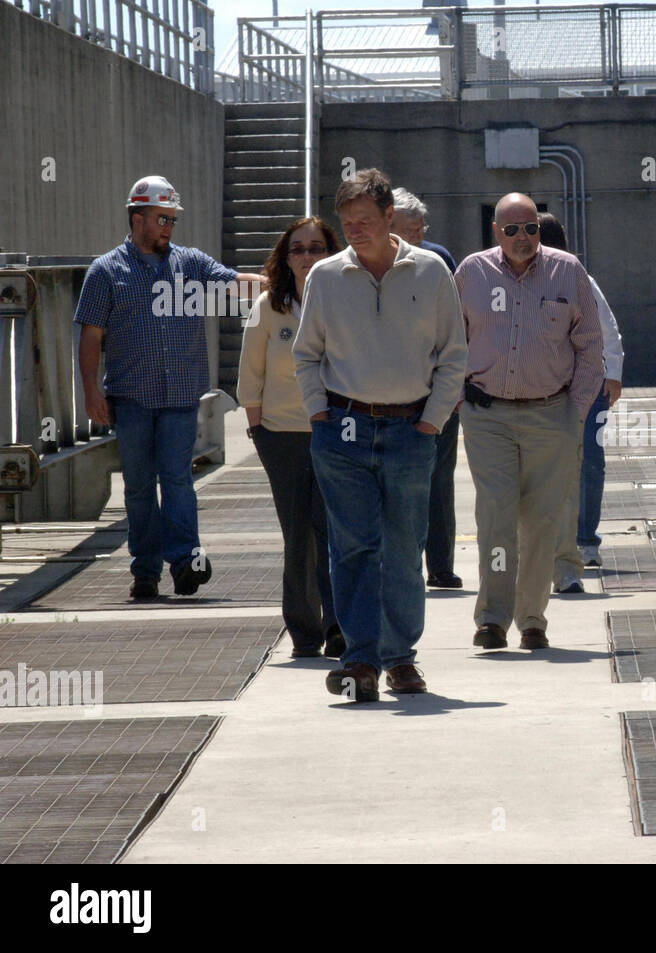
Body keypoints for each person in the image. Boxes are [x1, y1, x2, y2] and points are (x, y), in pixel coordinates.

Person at [294, 168, 467, 702]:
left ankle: (401, 659)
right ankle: (361, 660)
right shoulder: (325, 276)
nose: (355, 232)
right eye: (347, 224)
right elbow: (306, 355)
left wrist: (430, 423)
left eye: (365, 222)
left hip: (410, 431)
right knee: (352, 549)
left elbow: (454, 357)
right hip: (341, 432)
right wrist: (320, 417)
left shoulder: (432, 272)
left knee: (403, 549)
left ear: (391, 217)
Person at [75, 175, 263, 600]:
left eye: (172, 220)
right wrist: (90, 390)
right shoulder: (105, 271)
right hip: (131, 398)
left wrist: (282, 281)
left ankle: (184, 562)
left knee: (177, 480)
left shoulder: (190, 263)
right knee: (140, 486)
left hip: (180, 396)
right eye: (162, 219)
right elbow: (90, 335)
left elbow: (233, 283)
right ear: (137, 217)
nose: (168, 227)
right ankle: (145, 570)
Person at [455, 193, 603, 650]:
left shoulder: (567, 270)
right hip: (488, 415)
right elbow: (446, 339)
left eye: (531, 228)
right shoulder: (472, 273)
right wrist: (461, 394)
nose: (524, 238)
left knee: (541, 521)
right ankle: (493, 618)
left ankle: (533, 619)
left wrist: (574, 414)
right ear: (496, 232)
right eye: (513, 229)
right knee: (496, 515)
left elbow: (590, 345)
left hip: (551, 412)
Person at [238, 217, 343, 659]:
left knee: (334, 531)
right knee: (297, 534)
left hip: (335, 431)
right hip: (282, 437)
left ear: (330, 254)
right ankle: (304, 630)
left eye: (315, 248)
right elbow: (251, 374)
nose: (306, 257)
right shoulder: (267, 307)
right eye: (297, 249)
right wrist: (258, 431)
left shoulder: (344, 302)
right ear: (286, 258)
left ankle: (340, 625)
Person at [536, 212, 624, 593]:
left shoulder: (580, 280)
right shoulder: (514, 283)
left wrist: (614, 374)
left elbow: (607, 329)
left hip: (588, 389)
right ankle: (548, 544)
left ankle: (585, 541)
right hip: (540, 391)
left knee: (590, 462)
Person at [391, 187, 463, 590]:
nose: (417, 237)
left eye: (421, 230)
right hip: (386, 394)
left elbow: (454, 329)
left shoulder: (438, 261)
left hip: (435, 389)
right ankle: (402, 564)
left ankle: (440, 564)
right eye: (410, 230)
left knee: (439, 481)